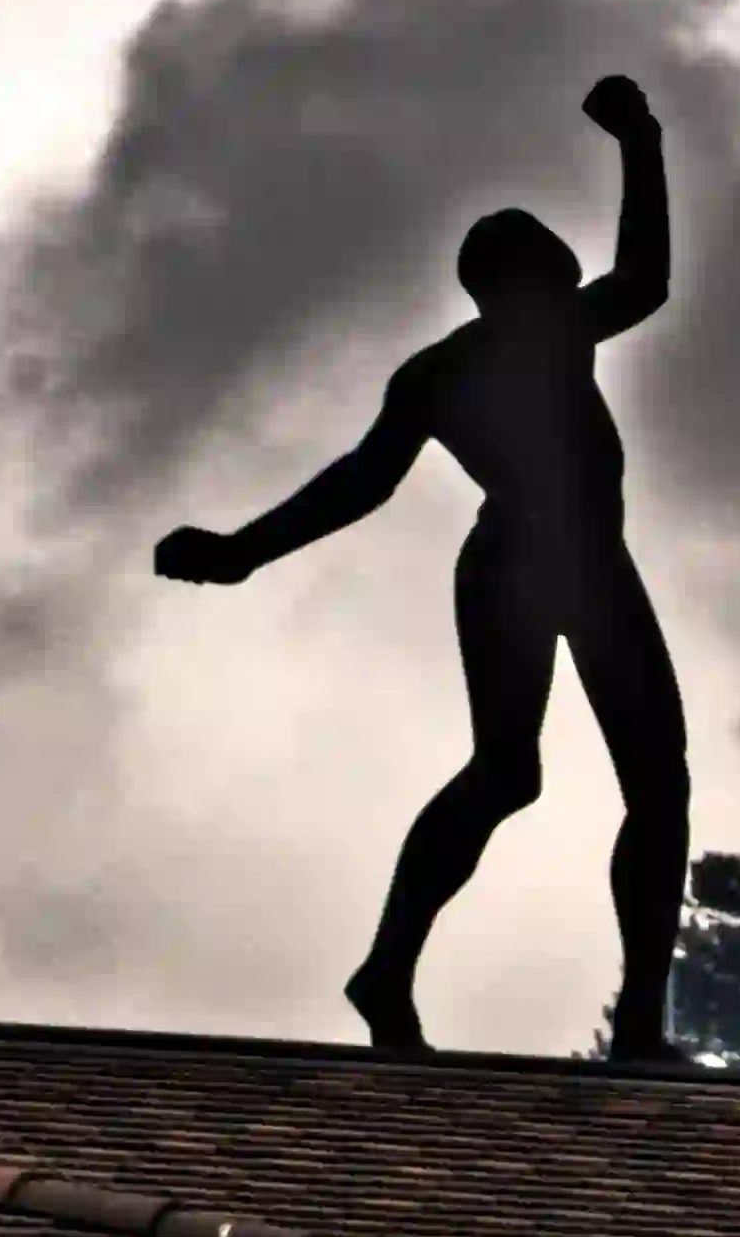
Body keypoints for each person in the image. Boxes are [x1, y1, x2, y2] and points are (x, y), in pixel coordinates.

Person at [155, 75, 688, 1063]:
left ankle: (630, 1022)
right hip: (530, 566)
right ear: (524, 289)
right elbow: (361, 481)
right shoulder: (505, 348)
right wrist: (639, 139)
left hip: (561, 566)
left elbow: (361, 481)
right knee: (543, 775)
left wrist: (242, 552)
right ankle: (405, 972)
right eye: (553, 284)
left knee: (610, 782)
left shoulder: (467, 358)